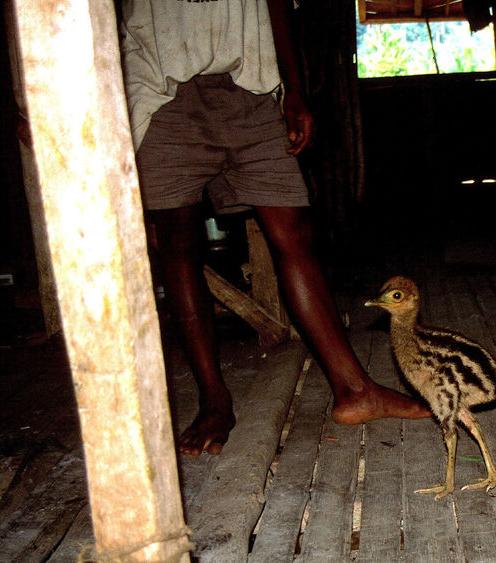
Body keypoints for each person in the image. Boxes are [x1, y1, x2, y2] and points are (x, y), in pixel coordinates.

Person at [120, 0, 430, 456]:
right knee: (178, 246)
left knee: (294, 234)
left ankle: (354, 390)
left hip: (251, 86)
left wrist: (295, 90)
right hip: (160, 93)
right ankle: (213, 401)